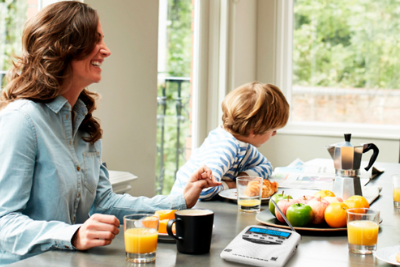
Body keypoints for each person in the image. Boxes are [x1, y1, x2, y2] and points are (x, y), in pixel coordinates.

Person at [0, 2, 220, 265]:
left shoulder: (83, 123)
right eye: (95, 40)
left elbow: (104, 202)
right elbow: (4, 223)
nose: (106, 50)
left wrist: (181, 200)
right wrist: (72, 234)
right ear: (65, 46)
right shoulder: (21, 120)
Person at [171, 82, 289, 200]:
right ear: (254, 131)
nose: (274, 134)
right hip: (184, 211)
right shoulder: (224, 147)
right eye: (273, 130)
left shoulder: (243, 145)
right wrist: (234, 185)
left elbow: (266, 166)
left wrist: (244, 177)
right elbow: (203, 190)